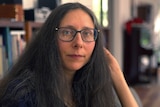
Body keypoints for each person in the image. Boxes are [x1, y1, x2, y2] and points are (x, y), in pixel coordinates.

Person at [0, 2, 138, 107]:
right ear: (50, 38)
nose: (79, 43)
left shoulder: (88, 86)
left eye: (87, 33)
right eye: (67, 32)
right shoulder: (22, 96)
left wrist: (116, 73)